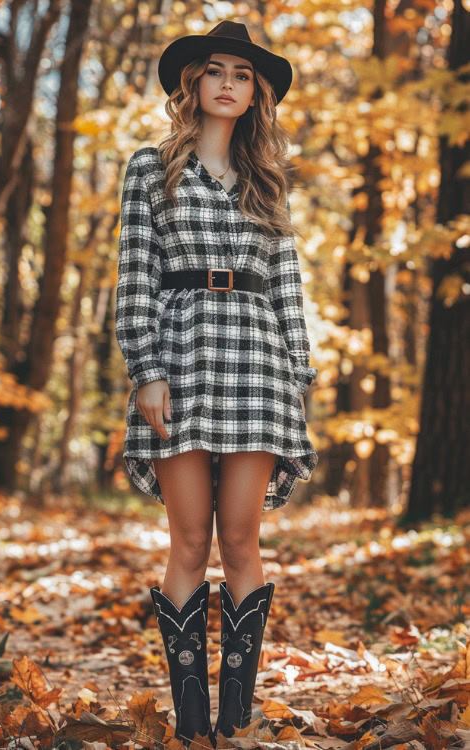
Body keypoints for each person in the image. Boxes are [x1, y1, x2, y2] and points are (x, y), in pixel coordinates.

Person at [115, 20, 319, 747]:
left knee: (240, 538)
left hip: (258, 366)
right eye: (216, 70)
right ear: (194, 83)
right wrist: (146, 370)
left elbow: (288, 287)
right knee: (188, 540)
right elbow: (134, 275)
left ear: (254, 92)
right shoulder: (150, 168)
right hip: (180, 354)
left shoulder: (270, 180)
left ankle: (233, 719)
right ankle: (191, 719)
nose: (228, 83)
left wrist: (299, 376)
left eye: (242, 73)